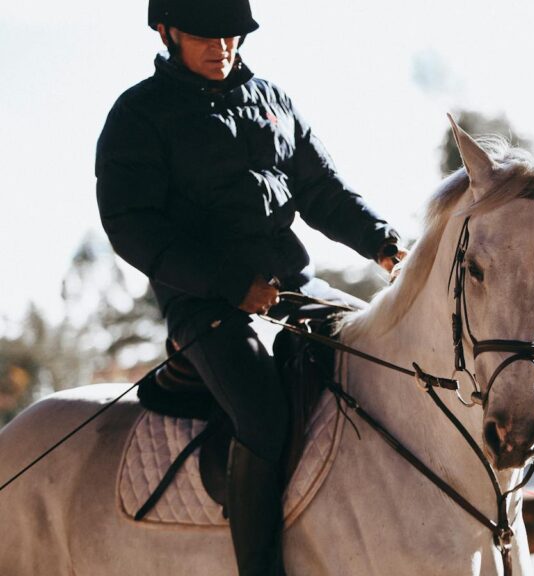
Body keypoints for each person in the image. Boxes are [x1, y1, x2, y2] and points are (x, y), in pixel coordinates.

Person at [95, 1, 405, 573]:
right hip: (205, 303)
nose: (222, 48)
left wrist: (382, 243)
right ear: (166, 33)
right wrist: (230, 284)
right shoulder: (138, 115)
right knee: (262, 414)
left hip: (294, 286)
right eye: (203, 37)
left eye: (231, 35)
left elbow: (323, 191)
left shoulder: (273, 99)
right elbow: (131, 226)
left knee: (383, 355)